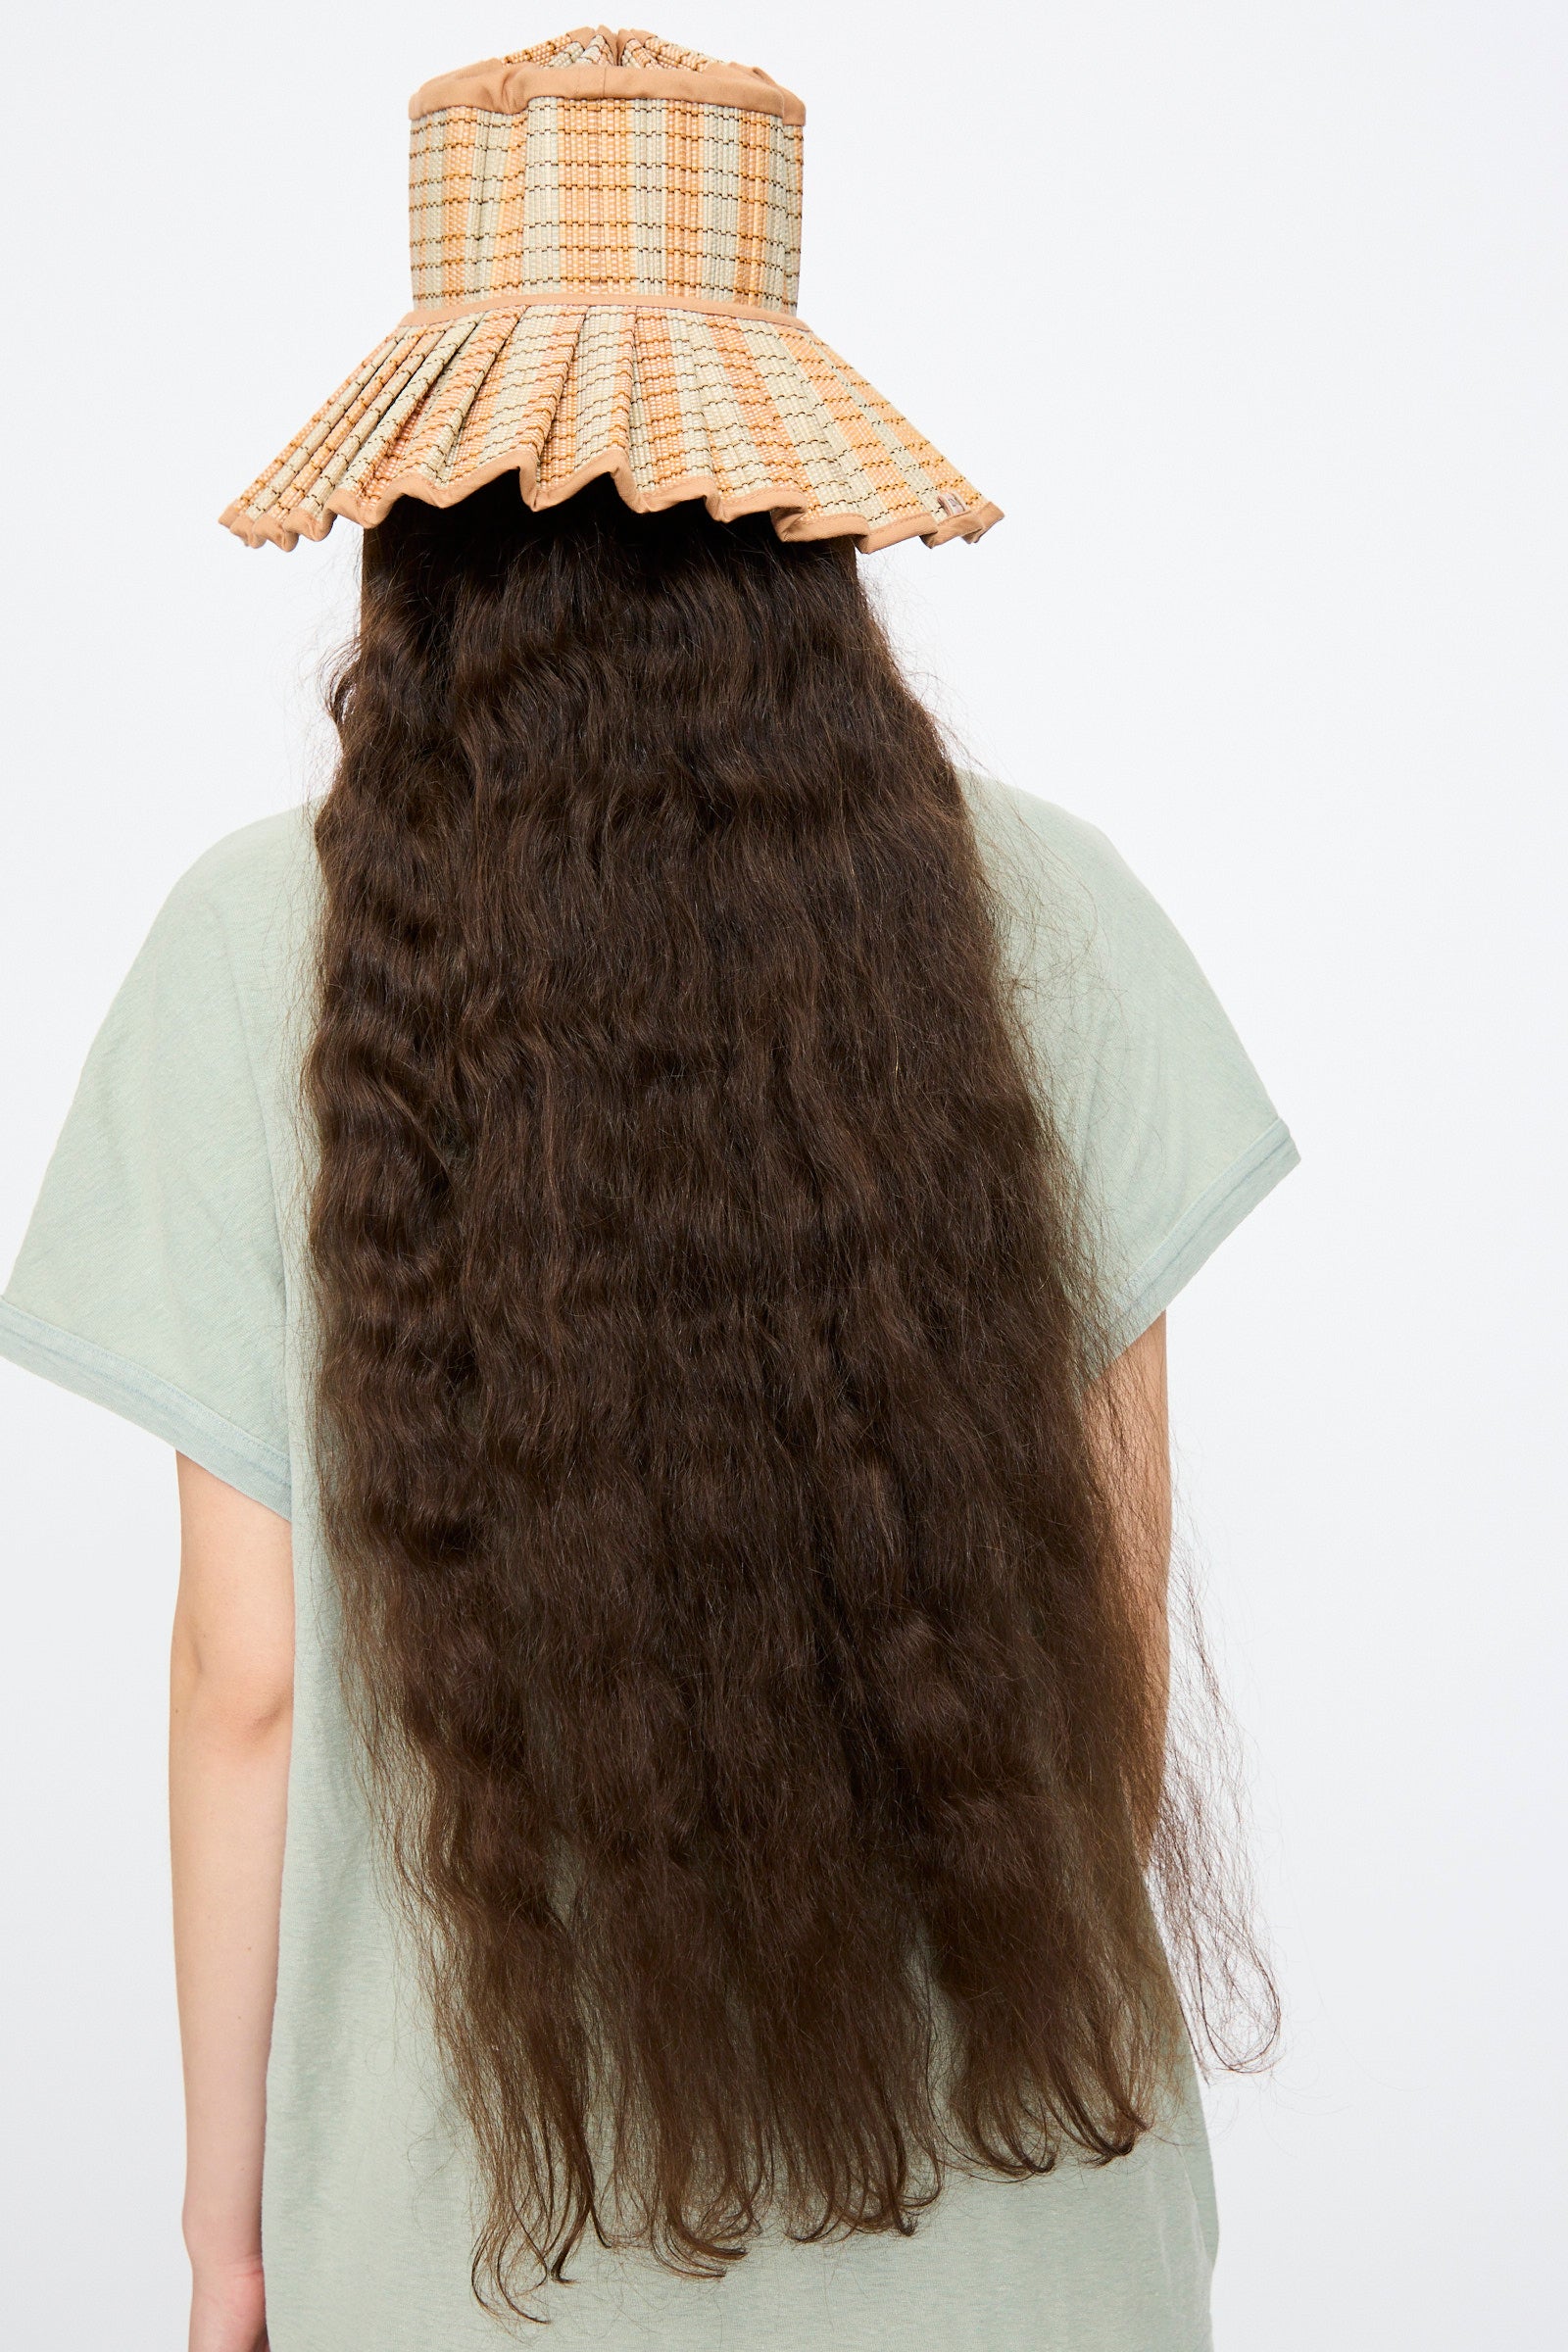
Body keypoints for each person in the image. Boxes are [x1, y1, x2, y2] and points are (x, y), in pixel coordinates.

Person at [0, 29, 1298, 2352]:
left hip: (482, 2264)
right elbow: (1102, 1622)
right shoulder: (1055, 917)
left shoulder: (248, 949)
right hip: (1033, 2244)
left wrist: (224, 2240)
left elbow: (247, 1684)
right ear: (788, 502)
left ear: (418, 499)